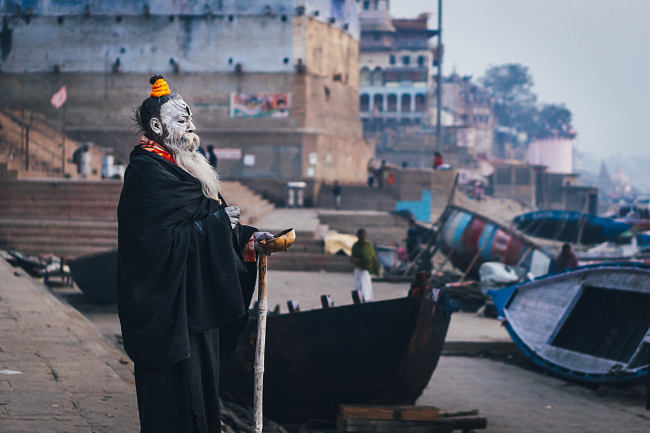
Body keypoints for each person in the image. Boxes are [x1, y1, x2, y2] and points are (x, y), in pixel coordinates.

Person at [117, 75, 274, 433]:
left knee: (202, 401)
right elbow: (154, 246)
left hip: (196, 309)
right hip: (167, 312)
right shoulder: (148, 172)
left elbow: (204, 222)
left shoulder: (184, 164)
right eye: (181, 119)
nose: (191, 125)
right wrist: (218, 227)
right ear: (157, 126)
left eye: (190, 118)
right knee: (172, 410)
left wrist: (246, 240)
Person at [350, 228, 379, 301]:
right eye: (360, 234)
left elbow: (372, 257)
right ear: (358, 235)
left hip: (366, 270)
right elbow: (352, 258)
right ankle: (359, 300)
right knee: (358, 286)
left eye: (363, 234)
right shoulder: (355, 245)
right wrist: (359, 261)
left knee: (366, 287)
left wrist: (369, 263)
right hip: (358, 269)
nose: (362, 236)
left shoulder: (368, 245)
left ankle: (367, 300)